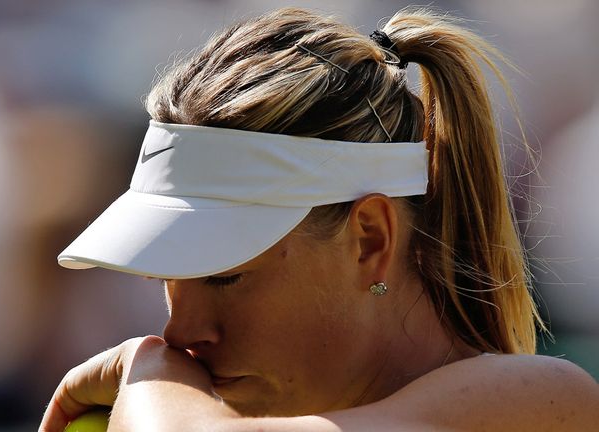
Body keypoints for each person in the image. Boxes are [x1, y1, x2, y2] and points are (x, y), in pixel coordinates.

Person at [39, 7, 599, 431]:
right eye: (168, 280)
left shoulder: (543, 403)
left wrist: (148, 373)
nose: (179, 335)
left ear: (370, 238)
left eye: (225, 277)